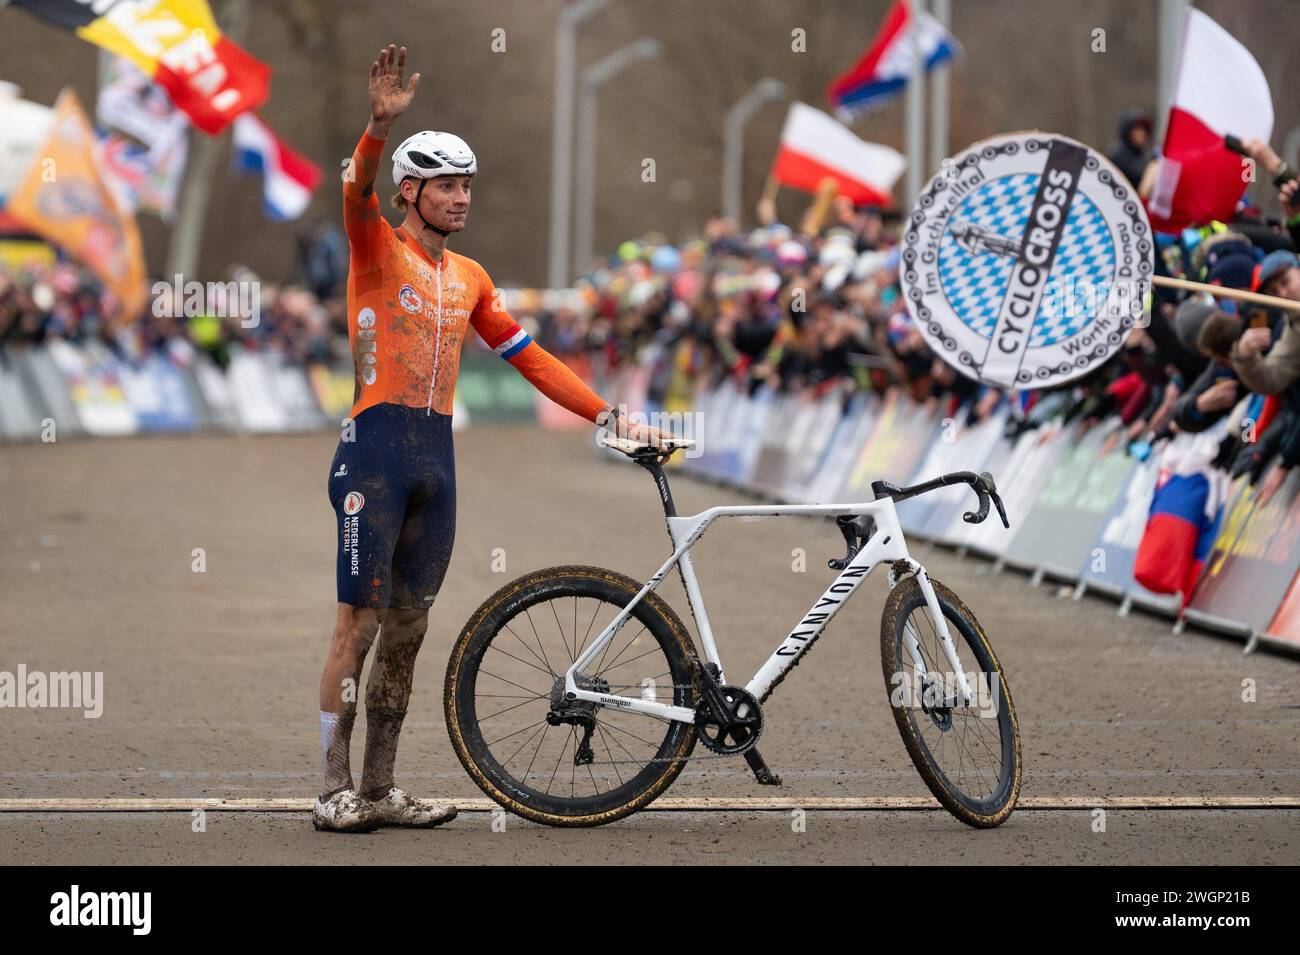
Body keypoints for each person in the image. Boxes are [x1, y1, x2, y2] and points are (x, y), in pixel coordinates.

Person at [314, 44, 672, 833]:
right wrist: (376, 130)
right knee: (360, 626)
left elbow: (532, 358)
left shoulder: (471, 276)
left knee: (409, 632)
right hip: (373, 453)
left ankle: (380, 788)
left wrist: (612, 418)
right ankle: (331, 787)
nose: (462, 195)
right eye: (447, 183)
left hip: (436, 459)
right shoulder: (376, 247)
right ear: (411, 191)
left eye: (468, 183)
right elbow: (352, 192)